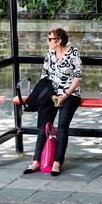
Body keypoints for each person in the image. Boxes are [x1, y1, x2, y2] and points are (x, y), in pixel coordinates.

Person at [23, 28, 82, 176]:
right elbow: (45, 76)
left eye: (50, 39)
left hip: (70, 94)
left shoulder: (73, 53)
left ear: (59, 40)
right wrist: (51, 96)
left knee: (62, 127)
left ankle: (57, 161)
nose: (47, 41)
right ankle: (36, 161)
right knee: (43, 126)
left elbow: (77, 77)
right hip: (51, 94)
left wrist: (65, 95)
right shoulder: (49, 54)